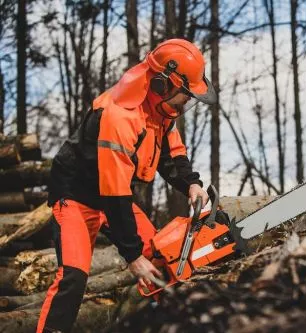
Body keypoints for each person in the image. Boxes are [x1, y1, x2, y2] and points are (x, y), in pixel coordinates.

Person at [37, 39, 216, 333]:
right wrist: (132, 256)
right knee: (74, 275)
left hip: (112, 195)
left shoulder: (159, 111)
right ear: (162, 84)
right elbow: (115, 192)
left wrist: (191, 185)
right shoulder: (120, 116)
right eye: (185, 95)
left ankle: (178, 322)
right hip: (77, 196)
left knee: (162, 257)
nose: (186, 102)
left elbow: (171, 154)